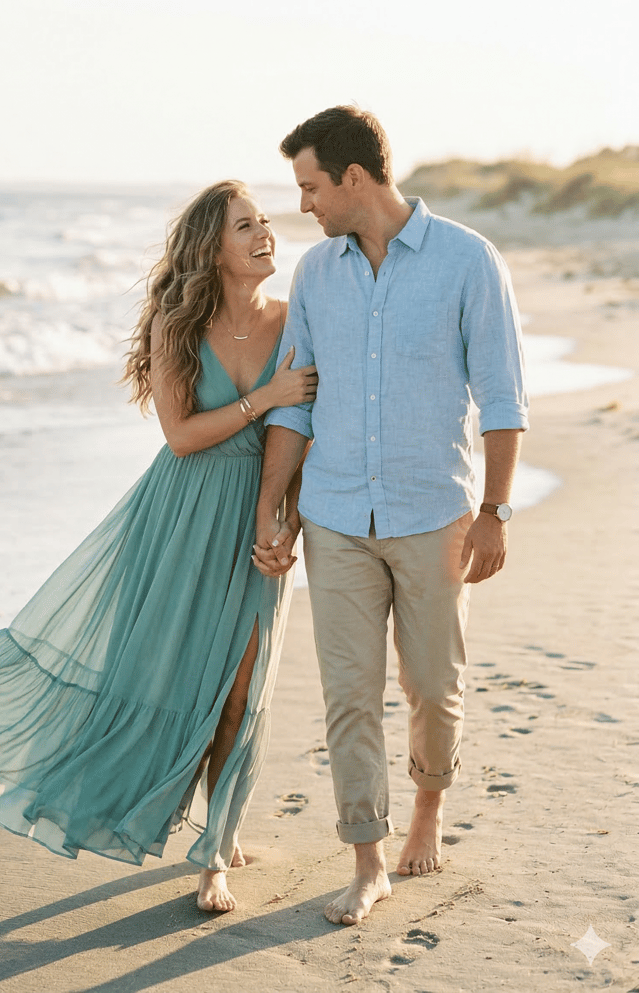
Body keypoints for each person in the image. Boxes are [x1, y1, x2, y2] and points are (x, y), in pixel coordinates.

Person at [0, 180, 317, 914]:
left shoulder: (293, 320)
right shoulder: (176, 327)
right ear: (211, 249)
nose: (265, 234)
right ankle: (173, 811)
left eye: (265, 221)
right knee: (169, 682)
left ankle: (216, 849)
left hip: (254, 518)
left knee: (241, 692)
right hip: (179, 516)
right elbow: (181, 436)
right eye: (245, 225)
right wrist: (261, 398)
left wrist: (284, 522)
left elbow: (296, 431)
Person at [253, 106, 529, 926]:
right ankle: (367, 859)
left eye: (310, 187)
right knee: (349, 694)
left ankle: (427, 812)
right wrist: (279, 506)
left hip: (433, 513)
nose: (303, 205)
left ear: (355, 179)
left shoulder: (469, 262)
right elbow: (298, 404)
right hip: (336, 513)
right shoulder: (316, 275)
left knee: (433, 689)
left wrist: (496, 511)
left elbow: (505, 397)